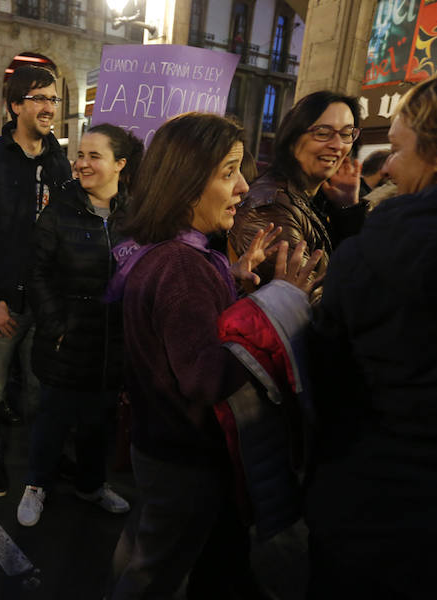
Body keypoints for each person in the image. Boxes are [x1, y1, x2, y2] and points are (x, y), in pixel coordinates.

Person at [105, 113, 319, 599]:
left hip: (159, 444)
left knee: (150, 548)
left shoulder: (171, 252)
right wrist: (276, 302)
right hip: (184, 456)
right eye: (229, 172)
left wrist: (233, 289)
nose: (244, 186)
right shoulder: (182, 265)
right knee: (154, 572)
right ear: (185, 184)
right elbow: (206, 377)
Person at [305, 62, 437, 599]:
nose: (390, 168)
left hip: (379, 515)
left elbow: (326, 385)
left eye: (398, 149)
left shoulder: (378, 256)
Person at [0, 64, 72, 497]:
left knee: (41, 391)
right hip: (3, 305)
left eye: (53, 99)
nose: (48, 107)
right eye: (39, 98)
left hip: (46, 305)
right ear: (16, 105)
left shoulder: (60, 161)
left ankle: (40, 463)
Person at [16, 124, 142, 527]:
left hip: (113, 343)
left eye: (94, 156)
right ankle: (36, 485)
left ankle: (91, 485)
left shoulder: (136, 214)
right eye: (80, 155)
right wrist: (57, 324)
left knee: (97, 424)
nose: (82, 163)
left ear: (120, 164)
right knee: (52, 419)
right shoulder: (59, 210)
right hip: (65, 341)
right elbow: (36, 274)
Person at [230, 91, 365, 292]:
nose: (337, 145)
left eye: (346, 134)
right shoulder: (269, 206)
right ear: (293, 139)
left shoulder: (319, 200)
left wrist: (347, 210)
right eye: (322, 133)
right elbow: (305, 299)